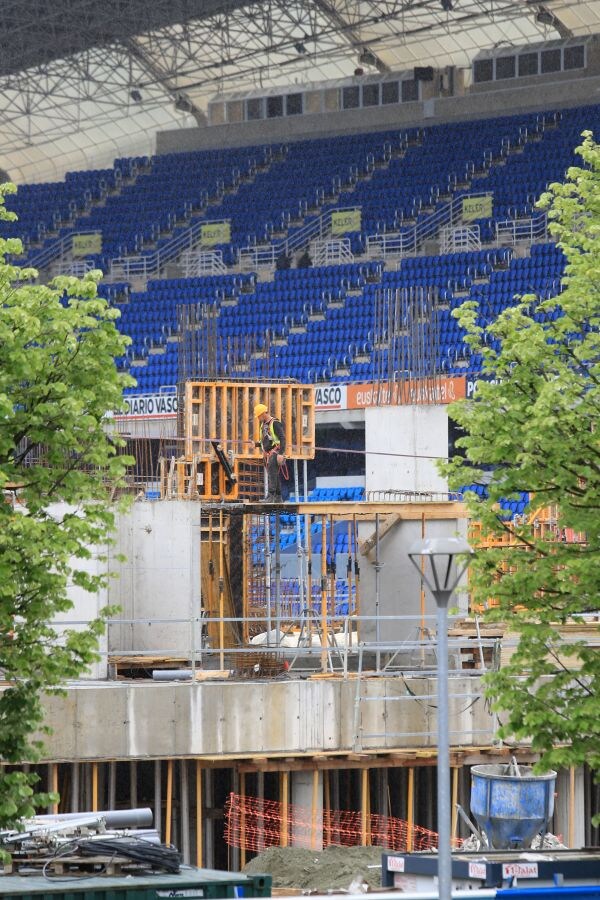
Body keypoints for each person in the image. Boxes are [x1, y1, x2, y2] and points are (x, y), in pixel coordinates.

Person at [253, 403, 286, 502]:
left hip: (275, 452)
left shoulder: (275, 423)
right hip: (268, 453)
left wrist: (280, 453)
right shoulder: (263, 425)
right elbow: (265, 441)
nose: (258, 418)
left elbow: (282, 438)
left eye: (258, 416)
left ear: (263, 414)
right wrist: (255, 445)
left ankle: (271, 496)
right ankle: (278, 497)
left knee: (272, 473)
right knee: (273, 474)